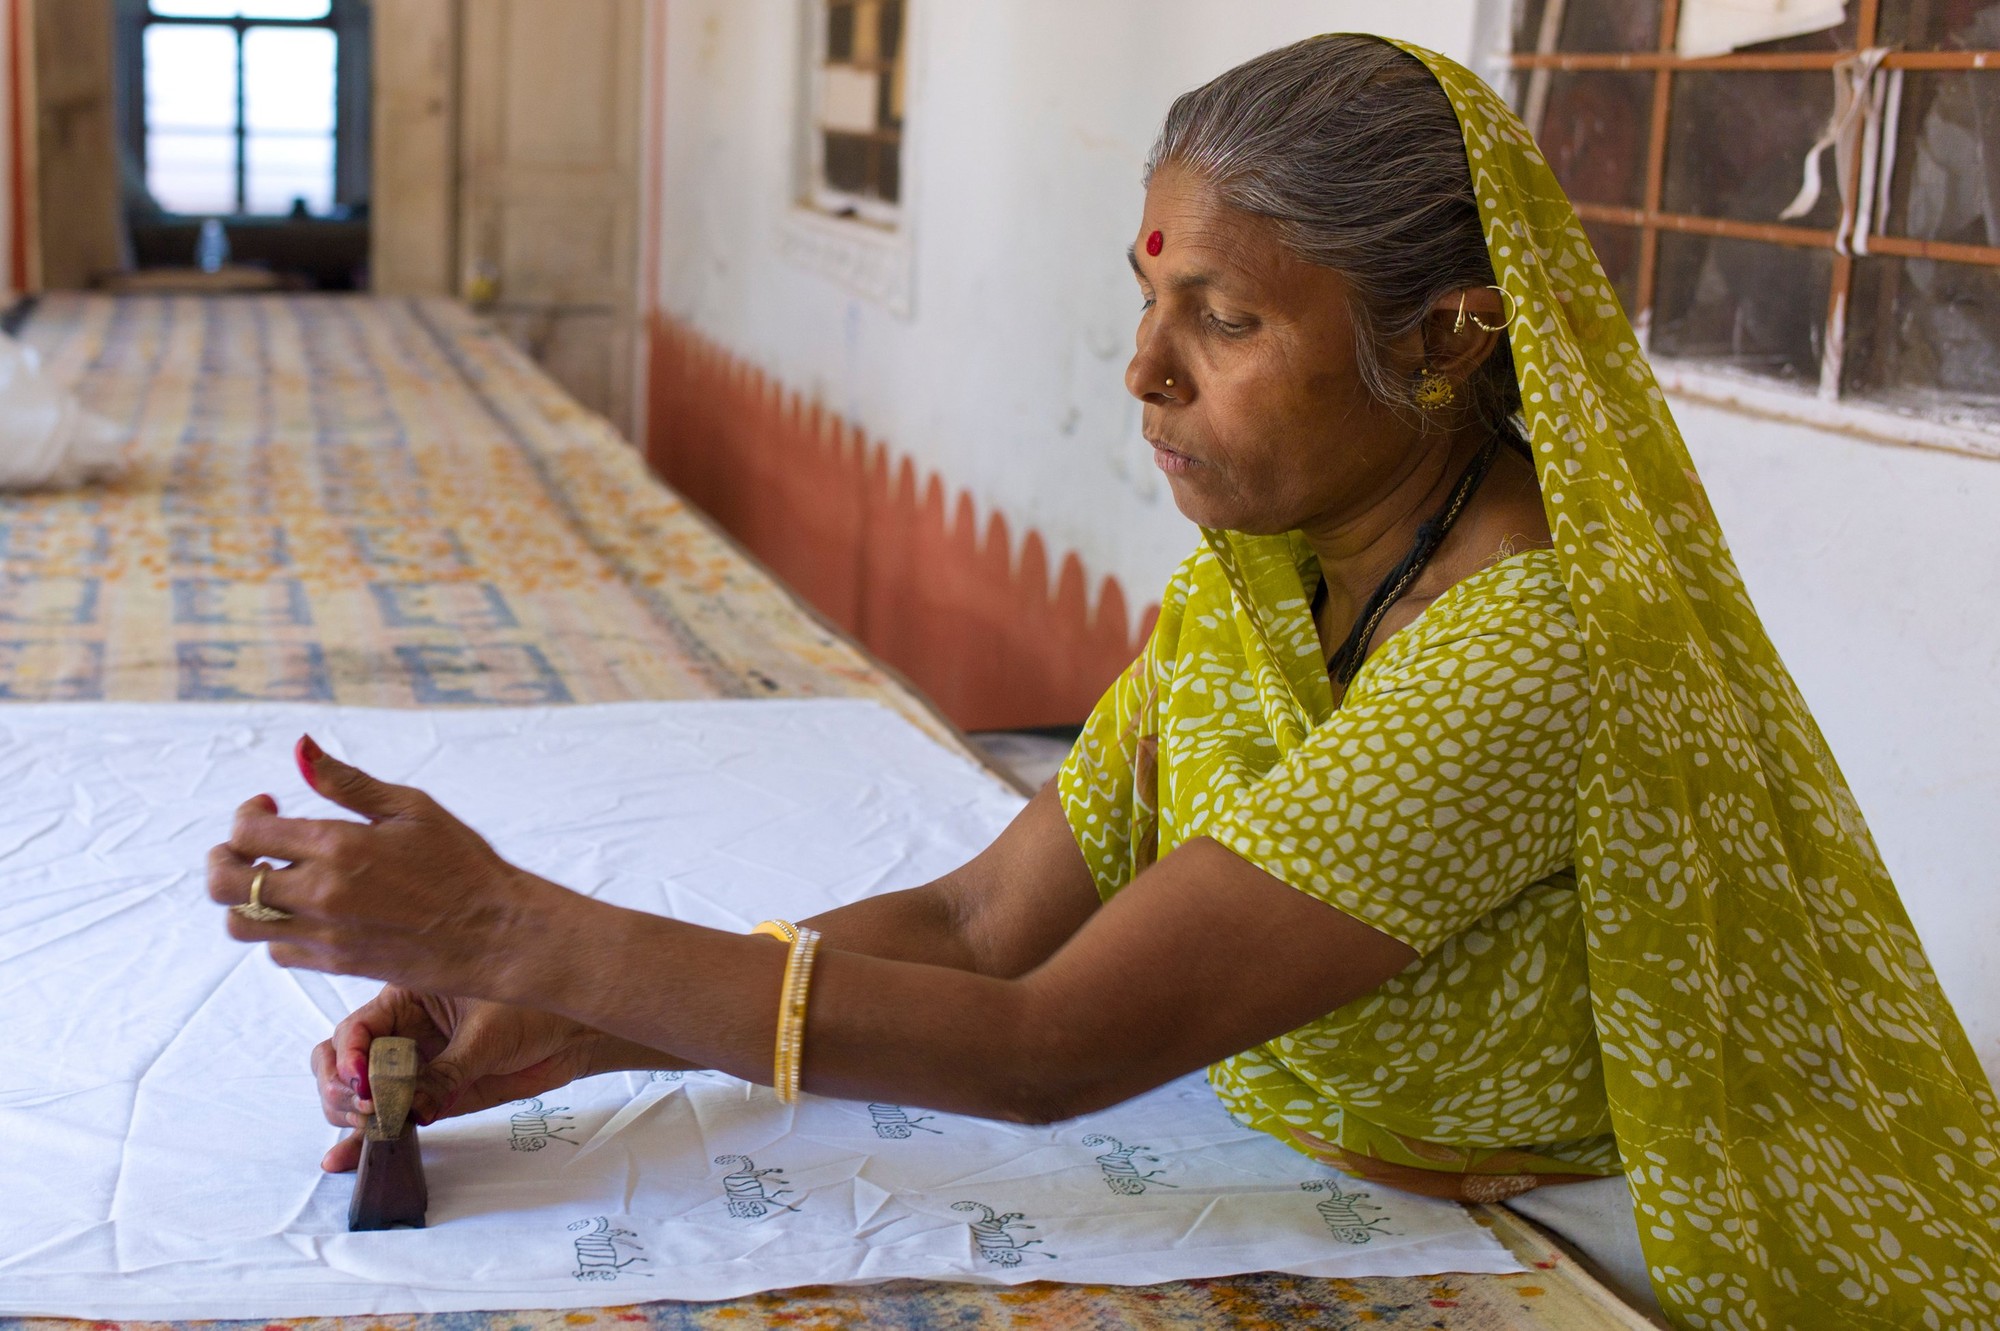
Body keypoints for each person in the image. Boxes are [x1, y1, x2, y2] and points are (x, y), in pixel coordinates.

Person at [209, 35, 1999, 1329]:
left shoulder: (1528, 642)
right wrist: (552, 1037)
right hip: (1325, 1169)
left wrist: (519, 931)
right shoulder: (1268, 579)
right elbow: (989, 925)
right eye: (1151, 304)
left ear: (1446, 341)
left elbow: (1053, 1046)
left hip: (1578, 1247)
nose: (1144, 371)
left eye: (1224, 321)